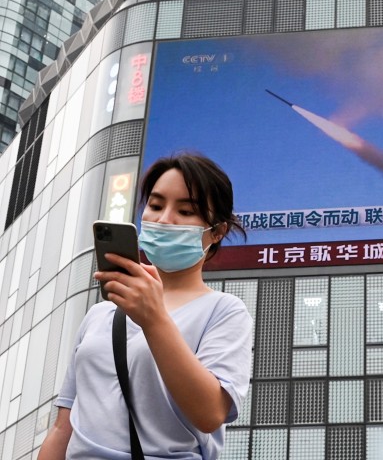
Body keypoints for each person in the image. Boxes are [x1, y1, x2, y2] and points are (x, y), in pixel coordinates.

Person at [38, 153, 253, 459]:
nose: (164, 219)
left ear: (217, 231)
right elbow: (63, 427)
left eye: (186, 210)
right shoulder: (101, 313)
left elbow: (210, 413)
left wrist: (154, 320)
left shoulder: (224, 311)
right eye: (155, 205)